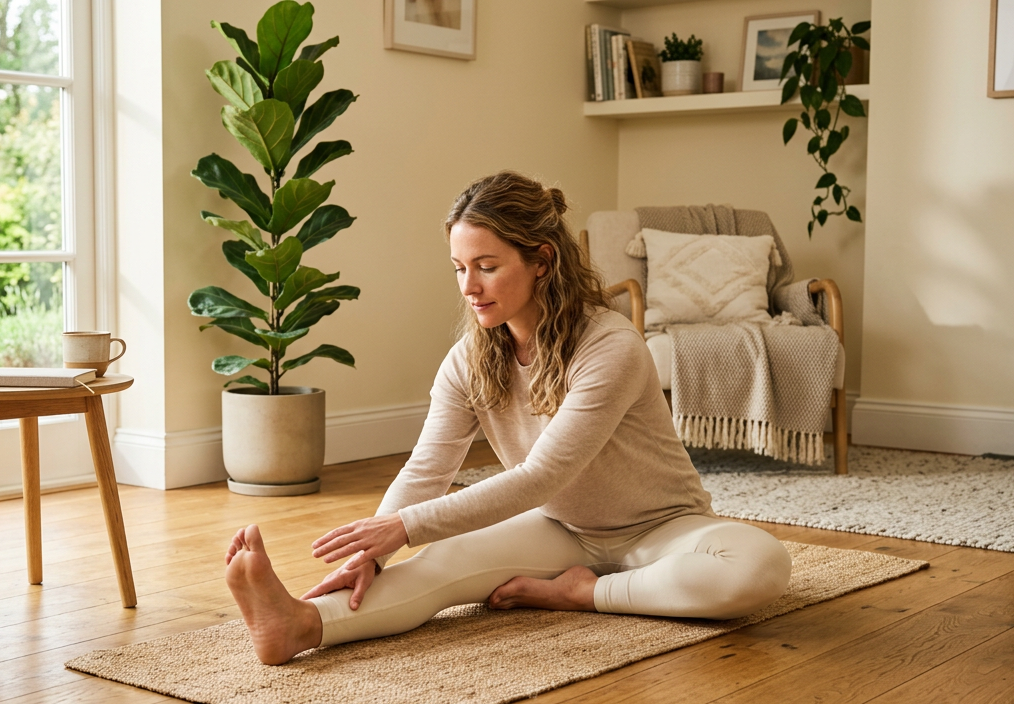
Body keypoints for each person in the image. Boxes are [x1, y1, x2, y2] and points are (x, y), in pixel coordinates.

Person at [224, 171, 793, 665]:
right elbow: (428, 469)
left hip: (662, 528)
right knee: (439, 564)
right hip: (559, 531)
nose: (469, 288)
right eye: (459, 268)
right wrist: (373, 551)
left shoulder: (611, 345)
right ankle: (298, 625)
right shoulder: (469, 360)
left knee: (757, 565)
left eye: (487, 267)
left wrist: (404, 527)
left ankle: (583, 594)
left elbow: (540, 477)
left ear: (542, 259)